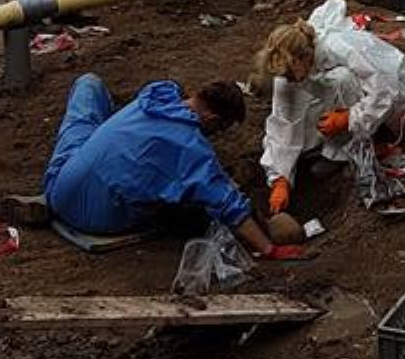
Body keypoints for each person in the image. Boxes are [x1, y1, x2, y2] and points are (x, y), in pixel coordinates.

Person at [22, 72, 300, 259]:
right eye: (220, 129)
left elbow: (169, 86)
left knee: (89, 85)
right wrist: (270, 249)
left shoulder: (157, 95)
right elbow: (230, 207)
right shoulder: (192, 150)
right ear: (213, 120)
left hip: (61, 181)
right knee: (189, 204)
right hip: (98, 218)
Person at [255, 1, 405, 210]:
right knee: (304, 92)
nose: (288, 80)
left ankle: (357, 149)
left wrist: (351, 118)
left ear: (305, 57)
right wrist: (279, 178)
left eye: (290, 75)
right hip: (346, 92)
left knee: (341, 79)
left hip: (391, 90)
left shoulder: (340, 48)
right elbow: (283, 120)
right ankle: (334, 147)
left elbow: (385, 90)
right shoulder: (289, 70)